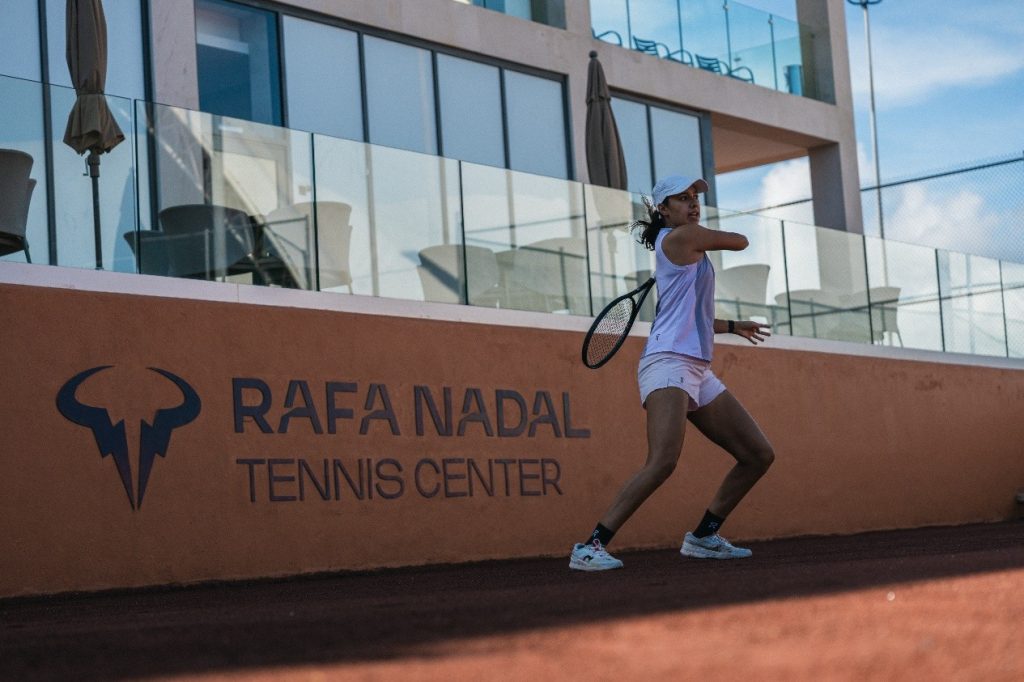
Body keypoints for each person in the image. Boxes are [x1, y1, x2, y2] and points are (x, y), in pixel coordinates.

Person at [569, 174, 775, 571]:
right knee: (662, 461)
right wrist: (695, 228)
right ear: (663, 209)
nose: (693, 203)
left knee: (757, 454)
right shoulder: (682, 239)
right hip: (667, 363)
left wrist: (733, 327)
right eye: (682, 199)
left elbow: (689, 316)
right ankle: (590, 546)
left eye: (695, 197)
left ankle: (703, 537)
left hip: (695, 366)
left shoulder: (684, 245)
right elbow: (740, 241)